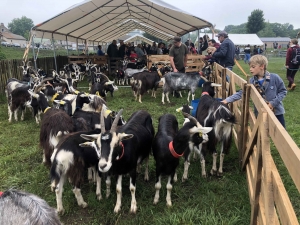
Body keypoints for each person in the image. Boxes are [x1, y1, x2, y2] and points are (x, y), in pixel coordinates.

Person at [222, 55, 287, 128]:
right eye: (250, 67)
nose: (250, 69)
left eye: (253, 67)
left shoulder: (275, 78)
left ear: (262, 66)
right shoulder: (251, 81)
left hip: (276, 112)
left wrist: (272, 103)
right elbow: (242, 92)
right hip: (260, 112)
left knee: (280, 132)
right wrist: (227, 100)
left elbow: (283, 91)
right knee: (261, 133)